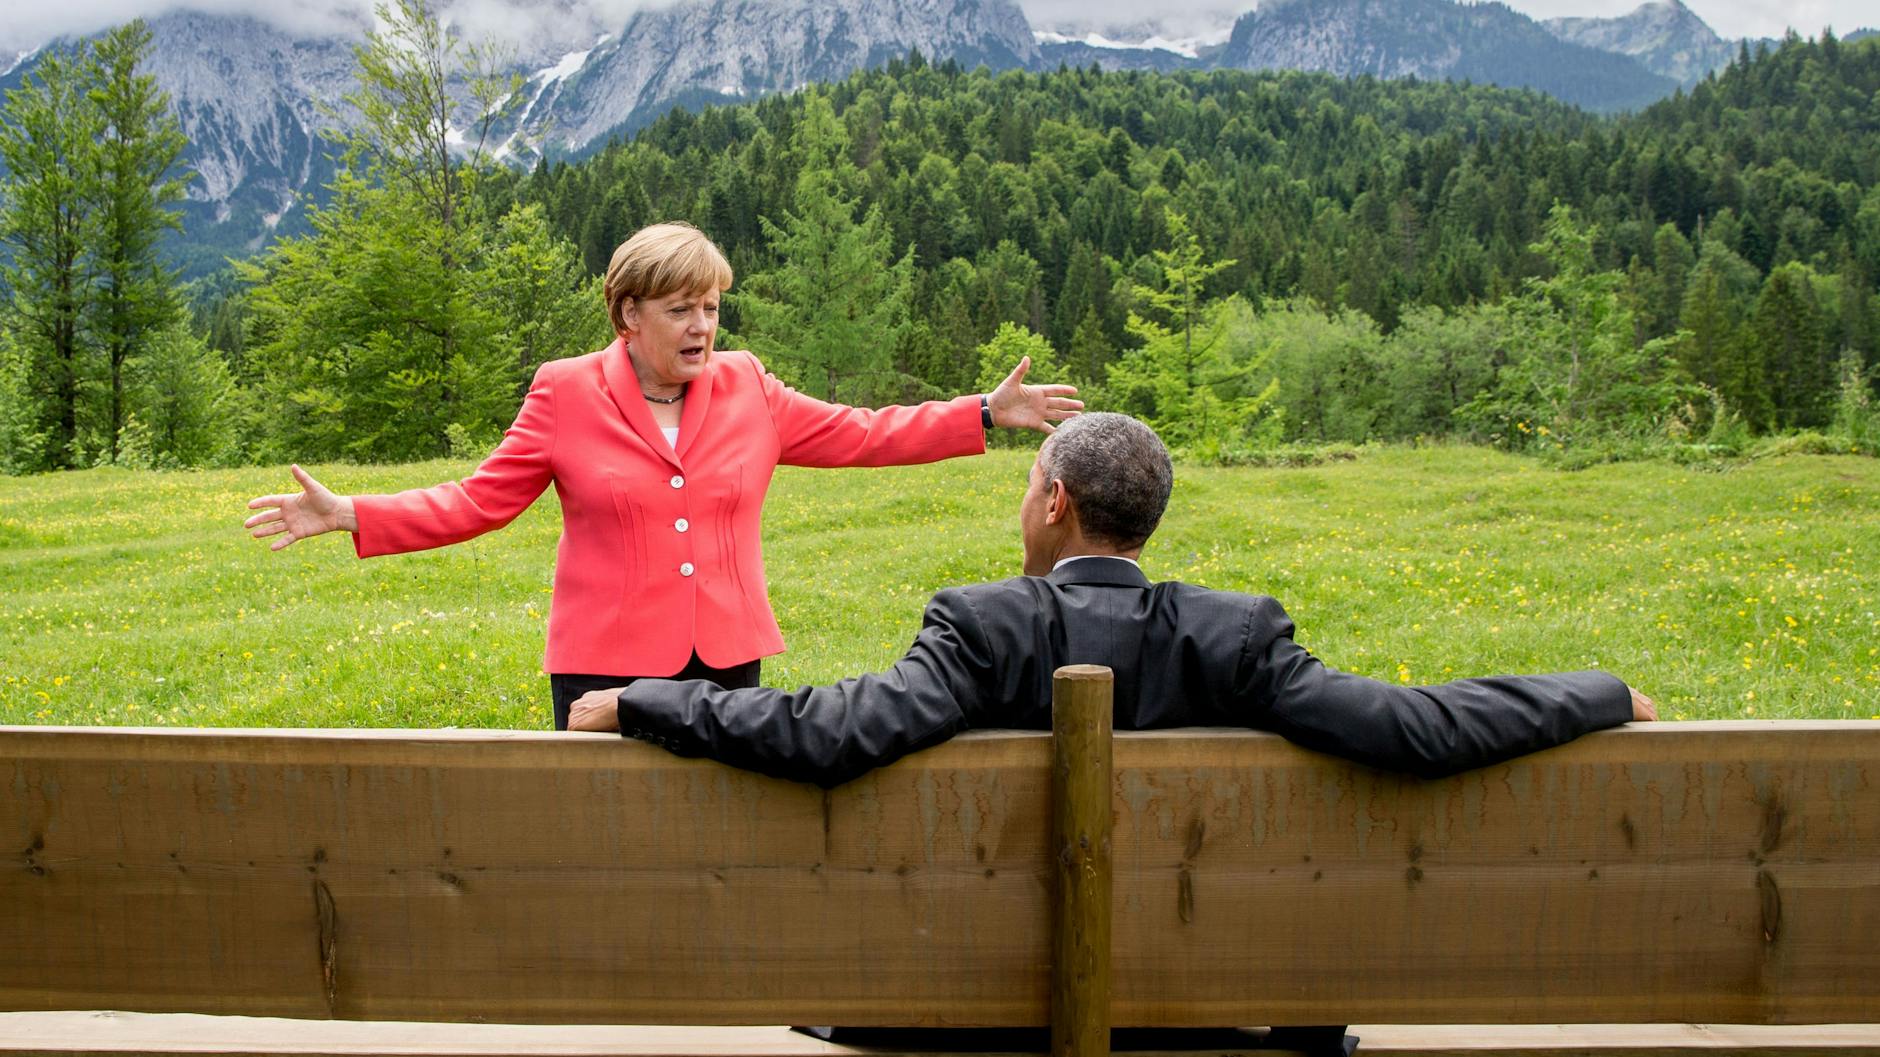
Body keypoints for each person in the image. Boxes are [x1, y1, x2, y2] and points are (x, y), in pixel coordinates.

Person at [243, 221, 1081, 729]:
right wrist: (352, 512)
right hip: (602, 664)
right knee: (606, 848)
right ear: (628, 313)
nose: (701, 326)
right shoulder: (564, 391)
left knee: (719, 839)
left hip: (726, 659)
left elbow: (861, 433)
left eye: (711, 308)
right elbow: (478, 500)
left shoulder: (749, 384)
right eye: (681, 309)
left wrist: (980, 411)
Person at [569, 412, 1656, 786]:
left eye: (1026, 486)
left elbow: (830, 732)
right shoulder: (1235, 636)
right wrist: (1598, 692)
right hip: (1213, 1001)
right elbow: (1415, 727)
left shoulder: (981, 627)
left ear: (1054, 501)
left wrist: (646, 699)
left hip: (975, 1011)